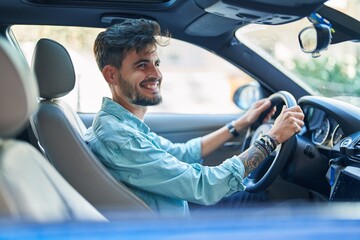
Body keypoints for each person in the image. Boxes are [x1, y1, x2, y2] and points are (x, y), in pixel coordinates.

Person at [84, 18, 304, 217]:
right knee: (281, 208)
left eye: (156, 63)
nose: (157, 74)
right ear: (111, 75)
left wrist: (240, 123)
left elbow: (183, 153)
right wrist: (271, 139)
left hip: (173, 207)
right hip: (174, 227)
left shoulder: (120, 124)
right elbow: (205, 186)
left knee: (253, 197)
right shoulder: (121, 138)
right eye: (142, 65)